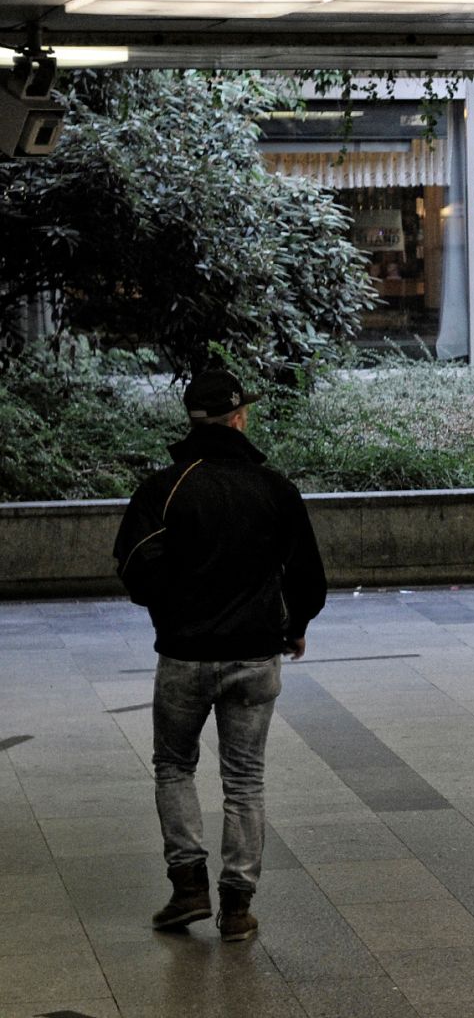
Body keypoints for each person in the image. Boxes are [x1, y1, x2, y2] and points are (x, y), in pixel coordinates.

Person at [112, 369, 326, 943]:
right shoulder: (275, 489)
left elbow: (134, 565)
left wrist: (172, 611)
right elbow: (308, 575)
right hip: (255, 657)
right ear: (238, 418)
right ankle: (237, 907)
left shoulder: (164, 488)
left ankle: (188, 888)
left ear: (192, 421)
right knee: (245, 779)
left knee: (173, 766)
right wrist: (295, 626)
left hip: (184, 656)